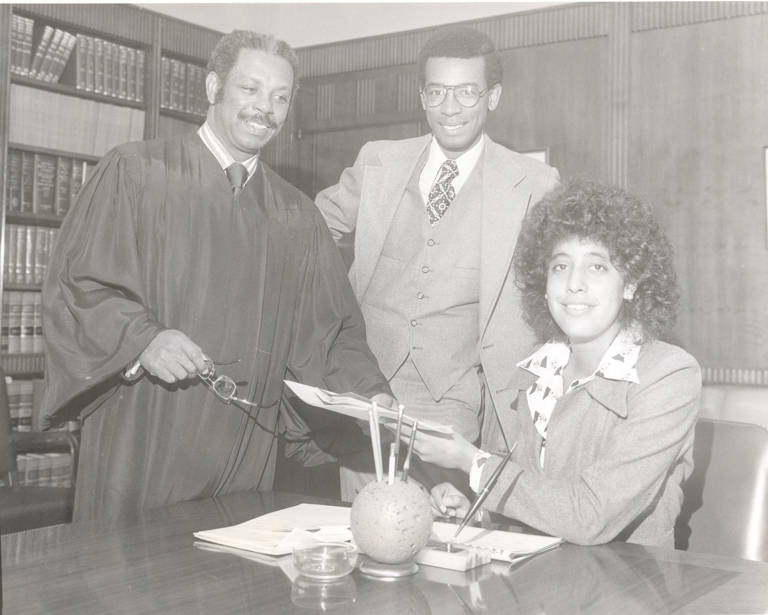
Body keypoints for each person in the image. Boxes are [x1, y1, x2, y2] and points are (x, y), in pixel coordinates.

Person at [40, 30, 394, 522]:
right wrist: (144, 339)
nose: (264, 109)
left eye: (280, 97)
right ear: (213, 89)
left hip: (243, 440)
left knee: (226, 580)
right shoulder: (137, 173)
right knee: (129, 584)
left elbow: (330, 332)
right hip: (146, 426)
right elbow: (78, 285)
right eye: (250, 89)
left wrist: (370, 396)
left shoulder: (296, 214)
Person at [315, 25, 559, 500]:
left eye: (467, 92)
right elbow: (308, 232)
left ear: (493, 97)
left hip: (461, 409)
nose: (450, 108)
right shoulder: (378, 162)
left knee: (445, 550)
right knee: (364, 535)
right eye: (438, 92)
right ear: (422, 96)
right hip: (368, 398)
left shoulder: (534, 182)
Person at [426, 179, 701, 548]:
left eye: (597, 267)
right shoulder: (534, 371)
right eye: (560, 266)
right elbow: (535, 497)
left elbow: (589, 517)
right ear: (544, 283)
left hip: (628, 590)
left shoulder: (669, 375)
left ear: (632, 283)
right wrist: (477, 511)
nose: (574, 283)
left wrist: (473, 463)